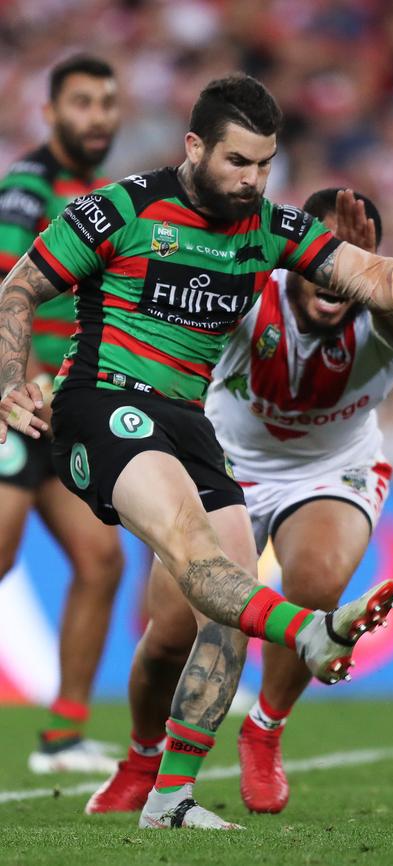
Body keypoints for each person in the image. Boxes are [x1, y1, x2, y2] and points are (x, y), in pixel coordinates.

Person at [0, 73, 393, 831]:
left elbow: (374, 275)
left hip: (188, 423)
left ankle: (171, 798)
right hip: (102, 404)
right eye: (238, 162)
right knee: (191, 551)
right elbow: (17, 289)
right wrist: (9, 378)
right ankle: (308, 631)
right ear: (195, 147)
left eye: (264, 165)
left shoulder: (271, 228)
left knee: (224, 606)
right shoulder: (119, 208)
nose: (252, 181)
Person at [84, 186, 393, 817]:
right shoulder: (250, 291)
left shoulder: (389, 317)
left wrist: (366, 278)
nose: (335, 269)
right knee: (168, 633)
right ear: (298, 254)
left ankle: (266, 730)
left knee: (319, 579)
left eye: (352, 259)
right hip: (223, 462)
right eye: (324, 253)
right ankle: (141, 760)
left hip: (332, 469)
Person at [0, 54, 124, 774]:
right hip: (19, 403)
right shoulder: (27, 188)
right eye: (81, 103)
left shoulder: (105, 197)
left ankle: (64, 735)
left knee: (101, 559)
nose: (97, 116)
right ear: (50, 113)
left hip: (63, 411)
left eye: (106, 103)